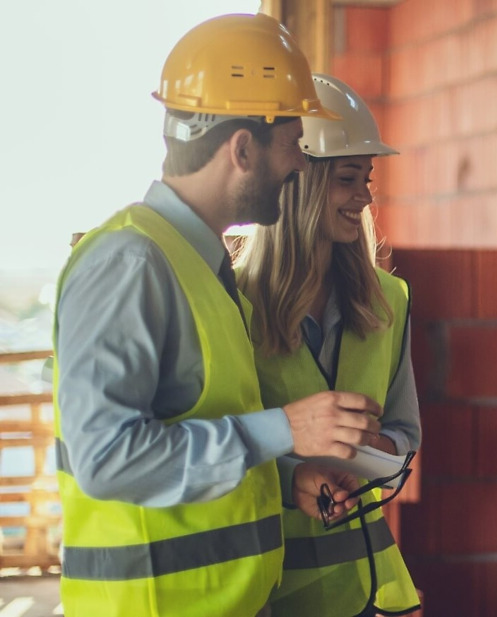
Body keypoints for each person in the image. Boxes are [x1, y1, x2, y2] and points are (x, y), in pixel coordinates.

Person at [52, 14, 382, 616]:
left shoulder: (202, 267)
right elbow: (106, 460)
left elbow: (197, 430)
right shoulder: (130, 263)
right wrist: (287, 428)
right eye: (293, 145)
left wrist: (286, 480)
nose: (300, 168)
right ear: (242, 148)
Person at [235, 73, 421, 617]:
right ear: (299, 180)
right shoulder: (233, 301)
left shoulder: (389, 299)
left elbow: (405, 431)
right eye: (347, 178)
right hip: (272, 591)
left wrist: (373, 453)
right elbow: (223, 444)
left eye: (367, 178)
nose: (364, 197)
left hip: (376, 591)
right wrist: (296, 474)